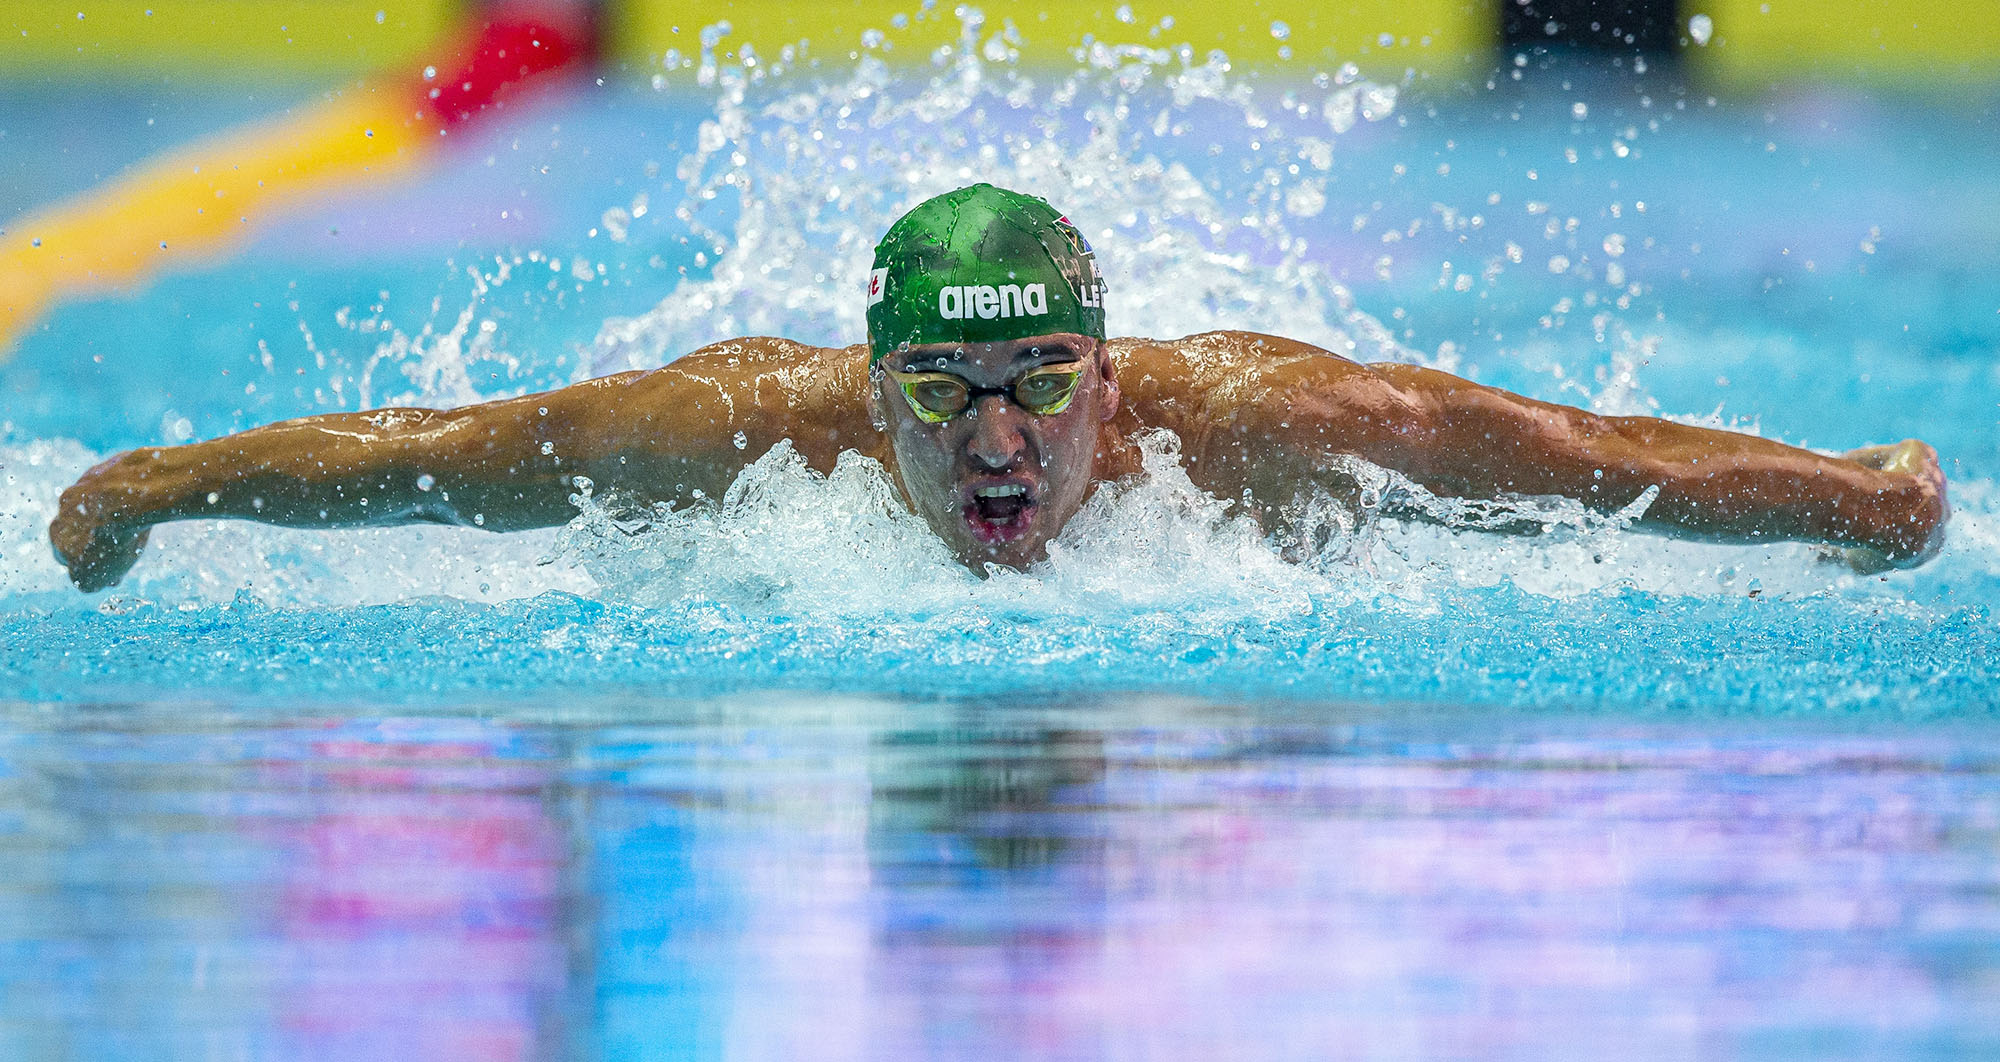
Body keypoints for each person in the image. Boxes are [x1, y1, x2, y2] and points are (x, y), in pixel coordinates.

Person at [49, 183, 1947, 592]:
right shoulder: (753, 429)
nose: (998, 441)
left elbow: (1576, 457)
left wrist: (1856, 498)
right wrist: (157, 479)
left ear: (1113, 380)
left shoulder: (1271, 424)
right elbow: (458, 458)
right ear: (868, 391)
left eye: (1044, 382)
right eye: (942, 390)